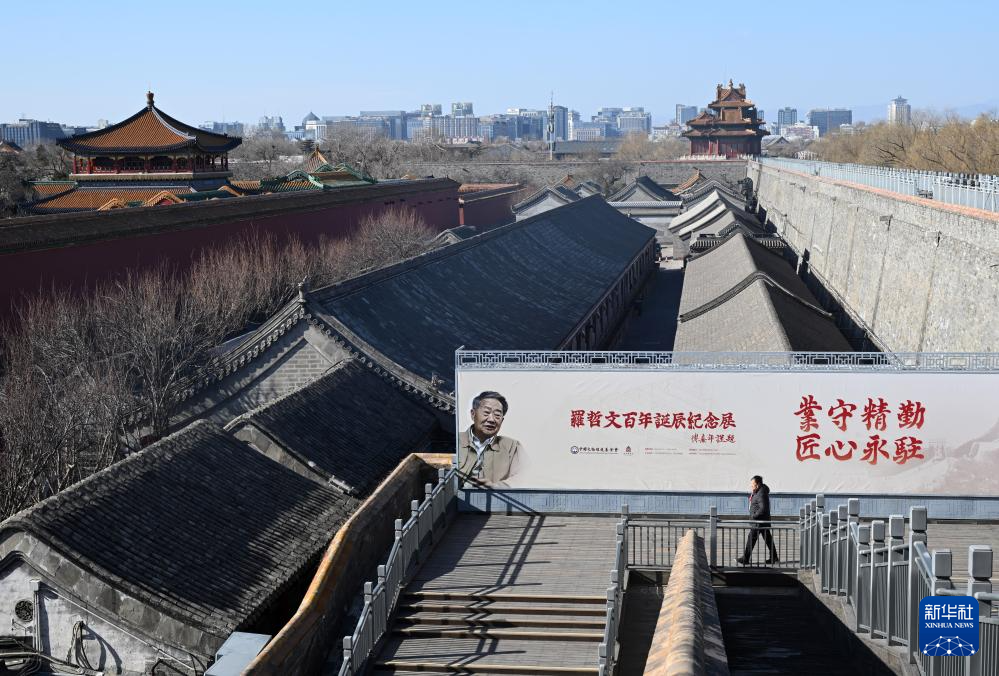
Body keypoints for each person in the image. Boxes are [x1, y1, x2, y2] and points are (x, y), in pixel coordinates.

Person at [456, 391, 523, 488]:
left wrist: (497, 486)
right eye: (486, 412)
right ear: (473, 414)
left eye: (497, 415)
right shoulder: (455, 440)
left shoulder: (512, 446)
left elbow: (524, 476)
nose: (491, 419)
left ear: (502, 420)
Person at [736, 475, 779, 566]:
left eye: (753, 484)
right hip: (761, 521)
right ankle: (774, 557)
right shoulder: (758, 491)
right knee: (768, 539)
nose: (751, 486)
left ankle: (745, 558)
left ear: (758, 484)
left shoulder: (761, 493)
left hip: (759, 522)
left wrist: (754, 516)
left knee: (751, 538)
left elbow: (763, 508)